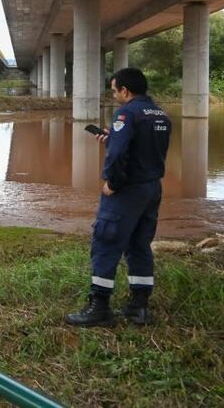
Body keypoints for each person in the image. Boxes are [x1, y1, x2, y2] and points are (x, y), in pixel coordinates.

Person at [66, 68, 172, 327]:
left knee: (106, 241)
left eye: (114, 91)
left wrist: (112, 183)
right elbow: (142, 147)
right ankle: (139, 308)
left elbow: (118, 155)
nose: (114, 96)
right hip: (151, 188)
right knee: (139, 244)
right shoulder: (161, 115)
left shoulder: (126, 113)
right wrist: (112, 138)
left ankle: (99, 307)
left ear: (125, 90)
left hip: (127, 191)